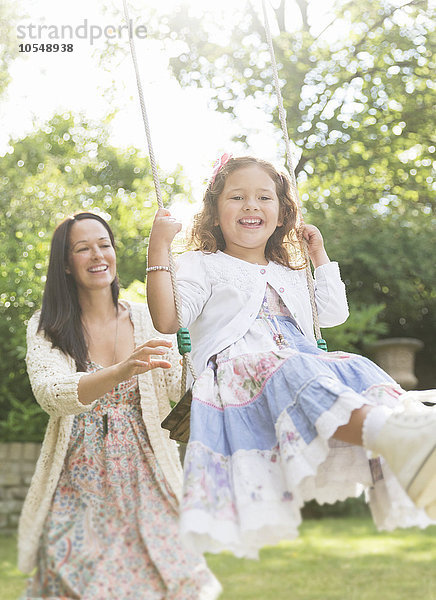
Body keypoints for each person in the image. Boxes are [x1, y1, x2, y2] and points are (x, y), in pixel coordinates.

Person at [146, 155, 436, 559]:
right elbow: (167, 317)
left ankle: (410, 433)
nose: (251, 205)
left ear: (282, 214)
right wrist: (159, 244)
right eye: (237, 197)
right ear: (214, 213)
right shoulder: (201, 264)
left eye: (264, 197)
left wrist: (319, 257)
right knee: (290, 367)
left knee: (354, 366)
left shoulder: (291, 269)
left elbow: (333, 313)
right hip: (236, 376)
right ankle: (399, 437)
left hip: (296, 366)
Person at [18, 211, 221, 599]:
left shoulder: (148, 319)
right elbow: (51, 393)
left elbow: (179, 391)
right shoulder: (48, 326)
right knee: (79, 582)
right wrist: (122, 370)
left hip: (149, 474)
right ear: (65, 263)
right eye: (83, 248)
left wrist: (196, 362)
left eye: (103, 244)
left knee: (173, 576)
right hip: (80, 482)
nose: (97, 255)